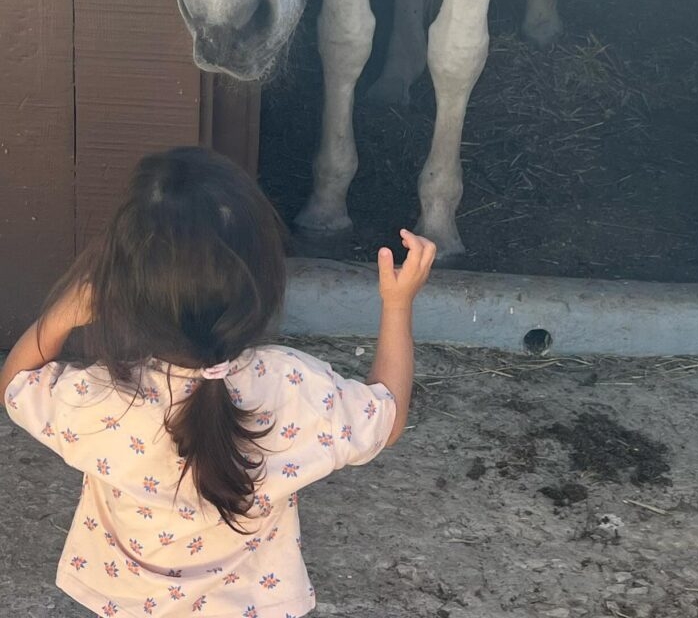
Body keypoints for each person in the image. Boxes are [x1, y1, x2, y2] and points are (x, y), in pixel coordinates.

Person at [1, 146, 435, 618]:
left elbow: (16, 385)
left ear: (122, 288)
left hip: (126, 603)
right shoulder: (293, 385)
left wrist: (66, 310)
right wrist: (397, 304)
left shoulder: (99, 397)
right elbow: (386, 416)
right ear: (263, 284)